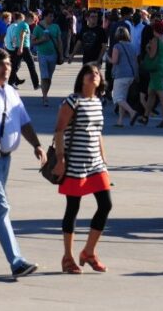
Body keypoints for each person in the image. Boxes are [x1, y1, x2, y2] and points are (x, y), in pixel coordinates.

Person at [0, 48, 47, 278]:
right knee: (0, 208)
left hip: (4, 158)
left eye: (9, 64)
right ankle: (16, 262)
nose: (7, 68)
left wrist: (36, 145)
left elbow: (24, 121)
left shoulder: (11, 92)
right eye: (1, 64)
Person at [51, 65, 111, 274]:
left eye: (96, 72)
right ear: (81, 78)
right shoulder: (72, 100)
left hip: (95, 163)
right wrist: (60, 160)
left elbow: (98, 132)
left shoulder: (97, 102)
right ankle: (67, 257)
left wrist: (104, 161)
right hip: (75, 163)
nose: (93, 75)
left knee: (106, 204)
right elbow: (59, 130)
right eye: (89, 72)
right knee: (73, 208)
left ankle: (88, 251)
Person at [138, 21, 163, 128]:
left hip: (156, 69)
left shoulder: (155, 40)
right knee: (151, 93)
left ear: (154, 30)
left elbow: (152, 56)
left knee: (161, 95)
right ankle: (145, 117)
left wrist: (147, 48)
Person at [109, 26, 139, 127]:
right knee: (123, 98)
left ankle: (132, 112)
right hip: (131, 75)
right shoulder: (132, 46)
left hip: (121, 75)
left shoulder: (117, 46)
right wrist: (136, 74)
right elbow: (135, 61)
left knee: (117, 98)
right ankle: (120, 121)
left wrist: (107, 57)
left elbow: (114, 61)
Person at [32, 9, 62, 107]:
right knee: (44, 76)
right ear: (45, 16)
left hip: (53, 54)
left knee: (49, 77)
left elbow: (59, 41)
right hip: (42, 54)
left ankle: (45, 93)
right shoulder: (38, 27)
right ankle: (45, 97)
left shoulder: (56, 27)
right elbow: (33, 42)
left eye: (53, 16)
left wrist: (61, 54)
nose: (52, 18)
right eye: (50, 16)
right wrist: (42, 39)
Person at [5, 12, 38, 90]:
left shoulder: (20, 25)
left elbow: (16, 36)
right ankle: (36, 84)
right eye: (33, 19)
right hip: (24, 47)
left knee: (15, 66)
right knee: (31, 65)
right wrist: (21, 47)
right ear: (29, 17)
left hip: (18, 47)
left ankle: (11, 82)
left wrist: (17, 46)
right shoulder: (25, 25)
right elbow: (22, 35)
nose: (33, 21)